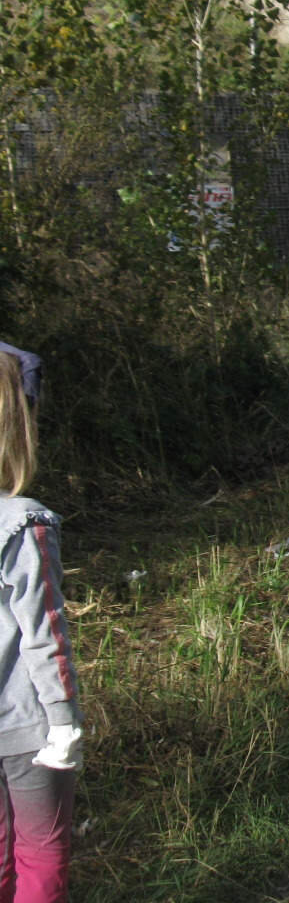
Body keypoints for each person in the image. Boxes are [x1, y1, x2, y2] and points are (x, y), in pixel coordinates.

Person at [0, 350, 82, 903]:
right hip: (27, 727)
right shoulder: (23, 522)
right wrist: (64, 719)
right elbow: (45, 632)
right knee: (41, 847)